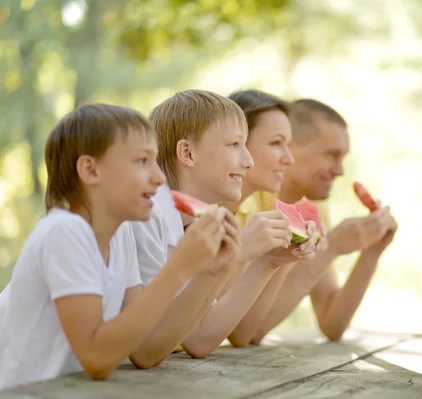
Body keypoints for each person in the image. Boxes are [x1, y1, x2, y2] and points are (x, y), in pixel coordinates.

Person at [0, 104, 233, 390]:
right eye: (142, 161)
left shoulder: (120, 235)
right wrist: (179, 268)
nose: (159, 178)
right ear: (90, 169)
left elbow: (146, 350)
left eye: (156, 162)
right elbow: (96, 357)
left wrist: (205, 273)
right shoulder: (64, 232)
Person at [130, 90, 318, 358]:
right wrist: (238, 253)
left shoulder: (194, 224)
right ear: (187, 153)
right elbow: (148, 347)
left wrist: (269, 262)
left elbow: (198, 339)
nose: (248, 161)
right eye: (234, 145)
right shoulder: (146, 219)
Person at [250, 98, 398, 343]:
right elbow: (250, 330)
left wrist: (372, 251)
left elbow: (332, 323)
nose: (340, 170)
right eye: (332, 155)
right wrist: (333, 248)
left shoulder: (313, 210)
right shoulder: (251, 200)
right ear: (290, 148)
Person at [223, 90, 327, 346]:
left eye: (288, 146)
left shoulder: (251, 214)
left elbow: (243, 333)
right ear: (239, 143)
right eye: (276, 143)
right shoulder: (199, 215)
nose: (288, 159)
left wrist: (281, 258)